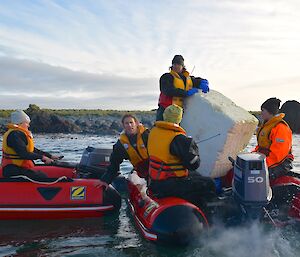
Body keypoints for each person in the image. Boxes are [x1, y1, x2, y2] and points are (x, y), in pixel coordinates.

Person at [148, 104, 216, 207]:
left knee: (197, 176)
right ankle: (208, 214)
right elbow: (193, 165)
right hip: (170, 185)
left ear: (164, 116)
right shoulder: (179, 138)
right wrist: (193, 148)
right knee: (209, 183)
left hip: (154, 182)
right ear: (179, 119)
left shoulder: (153, 132)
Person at [1, 110, 61, 180]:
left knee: (41, 174)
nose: (28, 125)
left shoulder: (18, 133)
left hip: (18, 168)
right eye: (27, 123)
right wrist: (42, 157)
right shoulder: (14, 135)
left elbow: (32, 150)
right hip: (13, 170)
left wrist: (49, 156)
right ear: (20, 123)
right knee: (42, 176)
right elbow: (24, 153)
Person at [156, 54, 210, 121]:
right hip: (165, 110)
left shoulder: (188, 79)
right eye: (174, 64)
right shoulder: (166, 77)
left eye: (178, 64)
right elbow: (168, 90)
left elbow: (198, 81)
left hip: (179, 113)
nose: (176, 66)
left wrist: (204, 83)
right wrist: (186, 93)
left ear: (182, 66)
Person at [101, 114, 149, 185]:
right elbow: (114, 164)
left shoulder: (147, 135)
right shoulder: (121, 144)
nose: (129, 125)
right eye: (126, 123)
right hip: (141, 171)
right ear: (123, 126)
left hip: (155, 168)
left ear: (136, 123)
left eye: (131, 122)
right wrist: (105, 181)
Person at [253, 97, 294, 180]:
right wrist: (251, 157)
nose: (261, 113)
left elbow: (278, 155)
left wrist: (260, 165)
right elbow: (261, 147)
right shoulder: (266, 126)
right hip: (266, 160)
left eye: (263, 110)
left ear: (269, 112)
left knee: (253, 174)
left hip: (280, 164)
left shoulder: (280, 128)